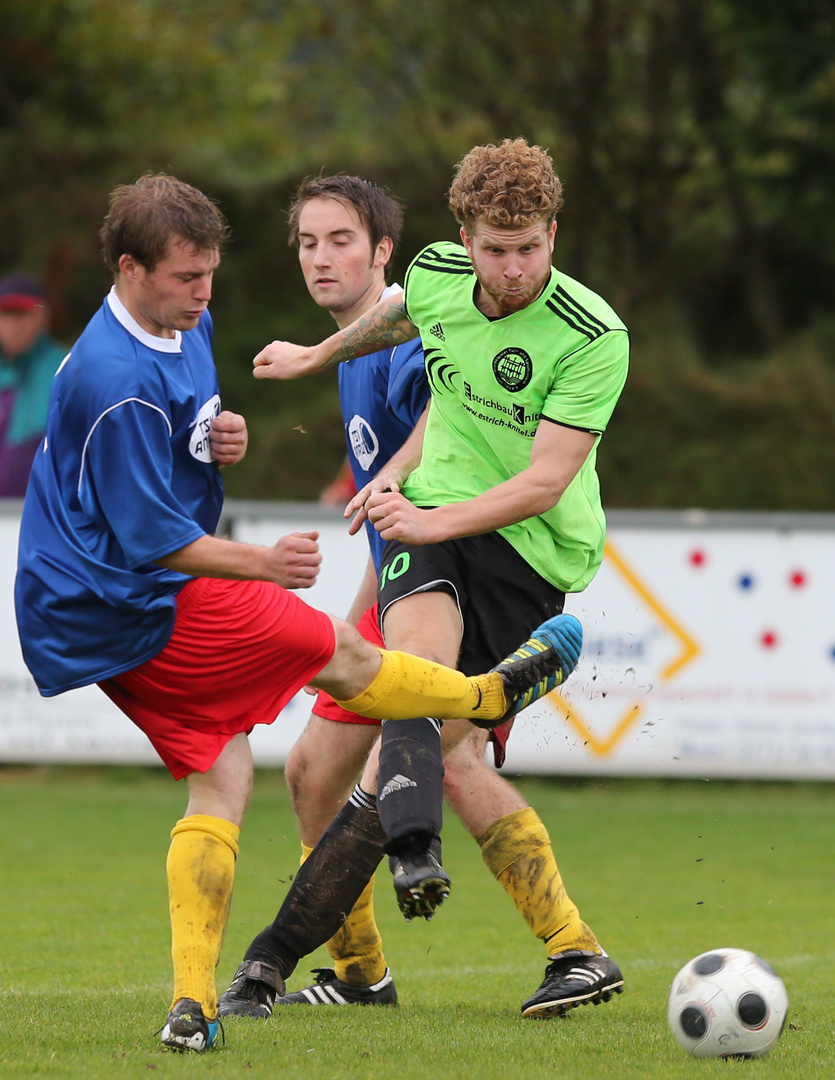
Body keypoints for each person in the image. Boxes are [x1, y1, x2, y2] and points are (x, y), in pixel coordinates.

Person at [12, 172, 583, 1053]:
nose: (319, 258)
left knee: (375, 753)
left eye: (339, 241)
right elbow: (148, 522)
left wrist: (235, 451)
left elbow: (449, 403)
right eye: (308, 242)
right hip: (141, 592)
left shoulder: (340, 336)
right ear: (133, 271)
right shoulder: (134, 369)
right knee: (343, 738)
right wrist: (266, 543)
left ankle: (560, 945)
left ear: (384, 251)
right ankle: (370, 959)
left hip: (472, 562)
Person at [219, 139, 628, 1021]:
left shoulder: (591, 337)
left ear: (553, 233)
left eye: (530, 248)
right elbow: (410, 308)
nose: (513, 269)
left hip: (521, 552)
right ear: (462, 238)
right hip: (425, 537)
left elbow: (539, 481)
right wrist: (317, 358)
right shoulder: (435, 282)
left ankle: (563, 947)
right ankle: (356, 958)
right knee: (347, 756)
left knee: (412, 748)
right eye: (495, 249)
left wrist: (410, 510)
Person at [0, 272, 65, 496]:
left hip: (42, 517)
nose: (14, 324)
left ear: (44, 317)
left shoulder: (66, 370)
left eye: (23, 314)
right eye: (7, 314)